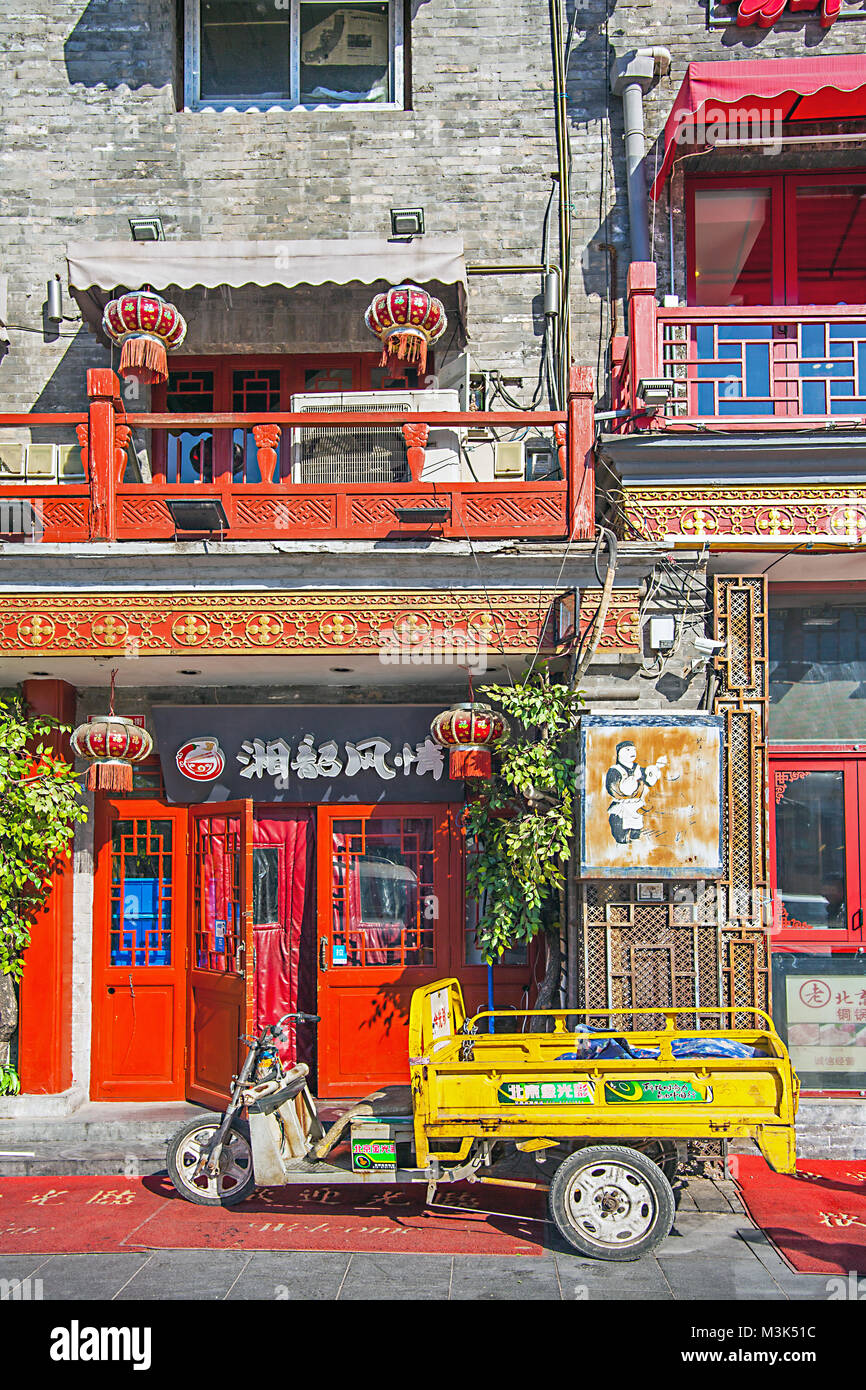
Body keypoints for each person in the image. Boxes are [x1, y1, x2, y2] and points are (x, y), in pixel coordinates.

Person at [605, 741, 667, 845]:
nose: (632, 752)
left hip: (636, 807)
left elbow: (648, 780)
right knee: (621, 838)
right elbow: (621, 790)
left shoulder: (637, 769)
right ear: (619, 753)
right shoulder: (615, 771)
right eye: (628, 750)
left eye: (633, 749)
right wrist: (635, 778)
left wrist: (653, 771)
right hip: (621, 810)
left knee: (636, 835)